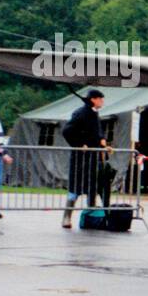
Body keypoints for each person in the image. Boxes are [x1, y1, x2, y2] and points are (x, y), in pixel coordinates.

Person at [60, 90, 108, 228]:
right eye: (100, 99)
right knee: (75, 188)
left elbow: (97, 132)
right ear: (93, 99)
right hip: (80, 160)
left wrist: (102, 140)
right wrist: (80, 144)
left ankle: (90, 218)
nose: (102, 101)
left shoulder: (94, 113)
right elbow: (67, 131)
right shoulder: (81, 113)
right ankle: (66, 218)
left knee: (92, 188)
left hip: (93, 158)